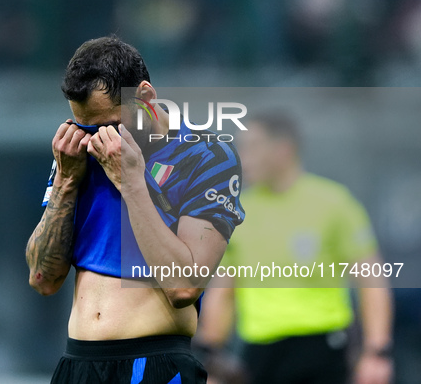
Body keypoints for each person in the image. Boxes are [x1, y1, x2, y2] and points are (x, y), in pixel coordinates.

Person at [25, 35, 244, 383]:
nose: (98, 140)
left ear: (145, 97)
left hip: (153, 362)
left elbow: (184, 287)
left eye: (111, 125)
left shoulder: (206, 157)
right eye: (85, 126)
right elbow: (43, 279)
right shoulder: (78, 153)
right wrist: (66, 183)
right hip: (76, 363)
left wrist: (131, 182)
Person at [195, 112, 393, 384]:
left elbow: (371, 279)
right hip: (260, 350)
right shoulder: (236, 212)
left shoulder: (334, 203)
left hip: (322, 346)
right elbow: (224, 288)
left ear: (283, 150)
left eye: (252, 146)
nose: (242, 157)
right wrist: (211, 354)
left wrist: (377, 352)